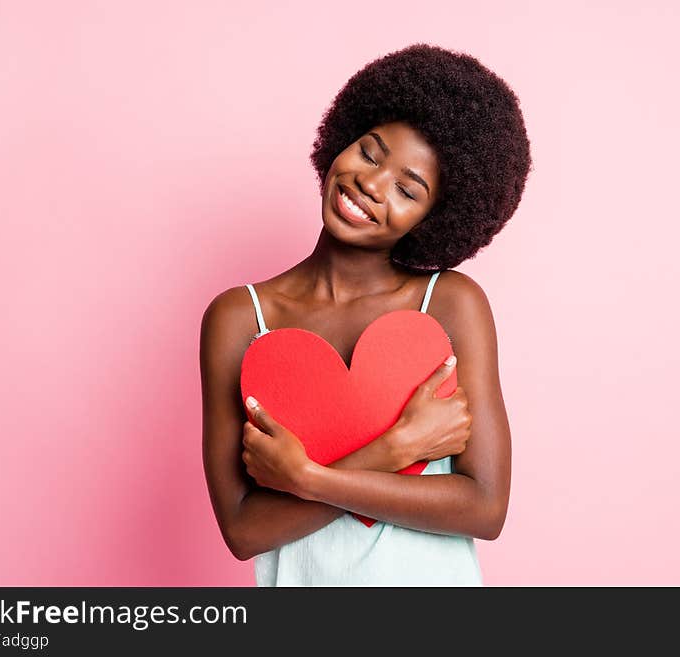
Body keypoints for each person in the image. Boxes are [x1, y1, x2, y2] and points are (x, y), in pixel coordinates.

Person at [200, 43, 532, 586]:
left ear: (434, 217)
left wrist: (302, 477)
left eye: (407, 189)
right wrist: (397, 448)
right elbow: (243, 529)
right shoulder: (241, 317)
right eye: (370, 153)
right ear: (343, 138)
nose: (370, 185)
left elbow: (484, 506)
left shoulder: (450, 305)